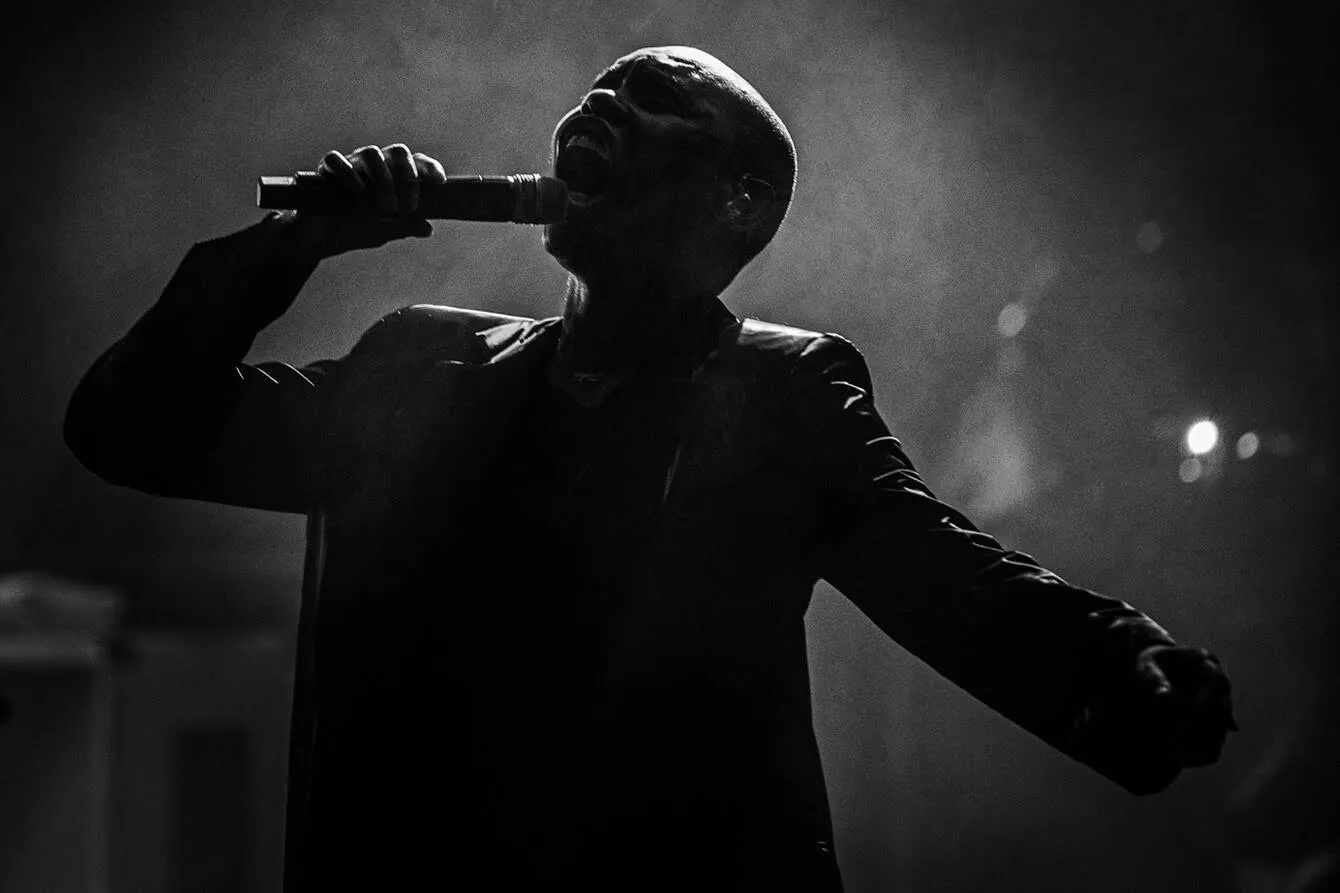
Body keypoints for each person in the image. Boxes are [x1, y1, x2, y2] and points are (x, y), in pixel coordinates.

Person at [64, 46, 1235, 892]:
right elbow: (130, 428)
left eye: (655, 99)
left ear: (739, 202)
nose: (601, 104)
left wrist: (1118, 658)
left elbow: (944, 573)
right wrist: (290, 250)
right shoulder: (420, 367)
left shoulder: (779, 396)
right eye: (599, 90)